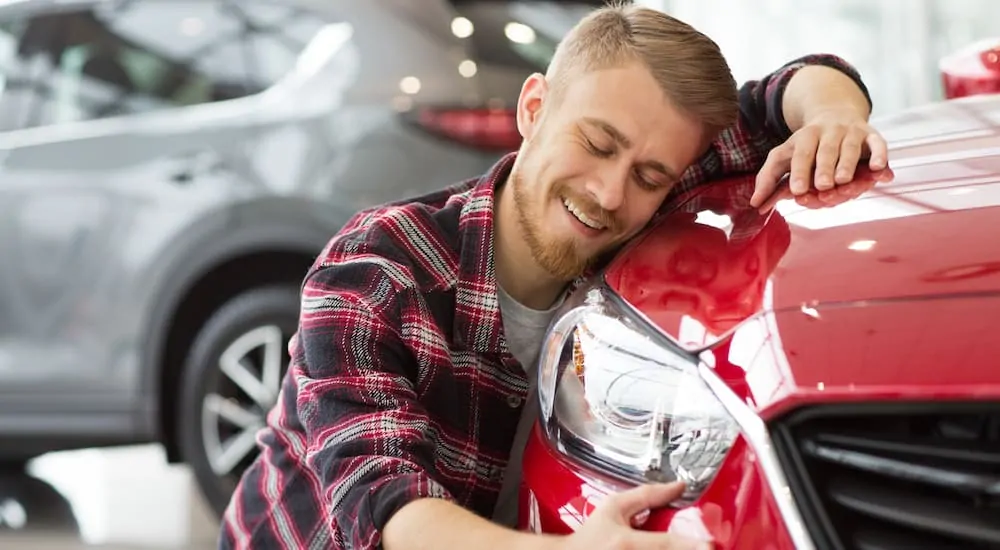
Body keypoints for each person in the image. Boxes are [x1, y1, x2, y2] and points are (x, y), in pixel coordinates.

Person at [219, 4, 893, 550]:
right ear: (534, 108)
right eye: (596, 144)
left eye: (650, 176)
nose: (607, 192)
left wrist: (835, 117)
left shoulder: (643, 189)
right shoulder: (377, 271)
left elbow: (792, 87)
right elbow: (384, 502)